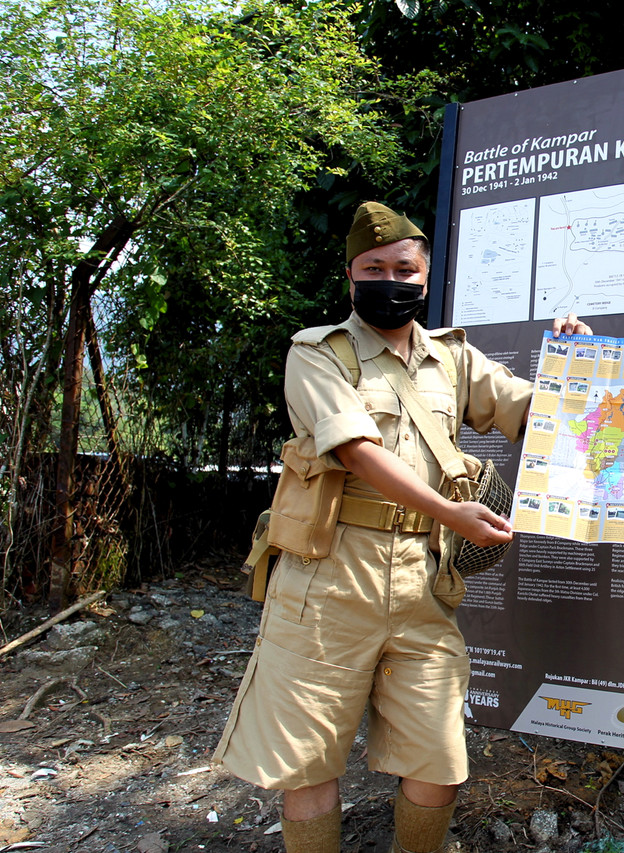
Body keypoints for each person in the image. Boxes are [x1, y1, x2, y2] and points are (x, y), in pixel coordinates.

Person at [213, 202, 589, 853]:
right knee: (309, 762)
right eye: (375, 267)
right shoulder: (317, 353)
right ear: (352, 275)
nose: (392, 278)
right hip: (328, 579)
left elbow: (536, 419)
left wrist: (574, 366)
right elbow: (356, 449)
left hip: (422, 581)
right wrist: (452, 512)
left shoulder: (452, 359)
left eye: (404, 268)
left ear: (424, 274)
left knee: (438, 760)